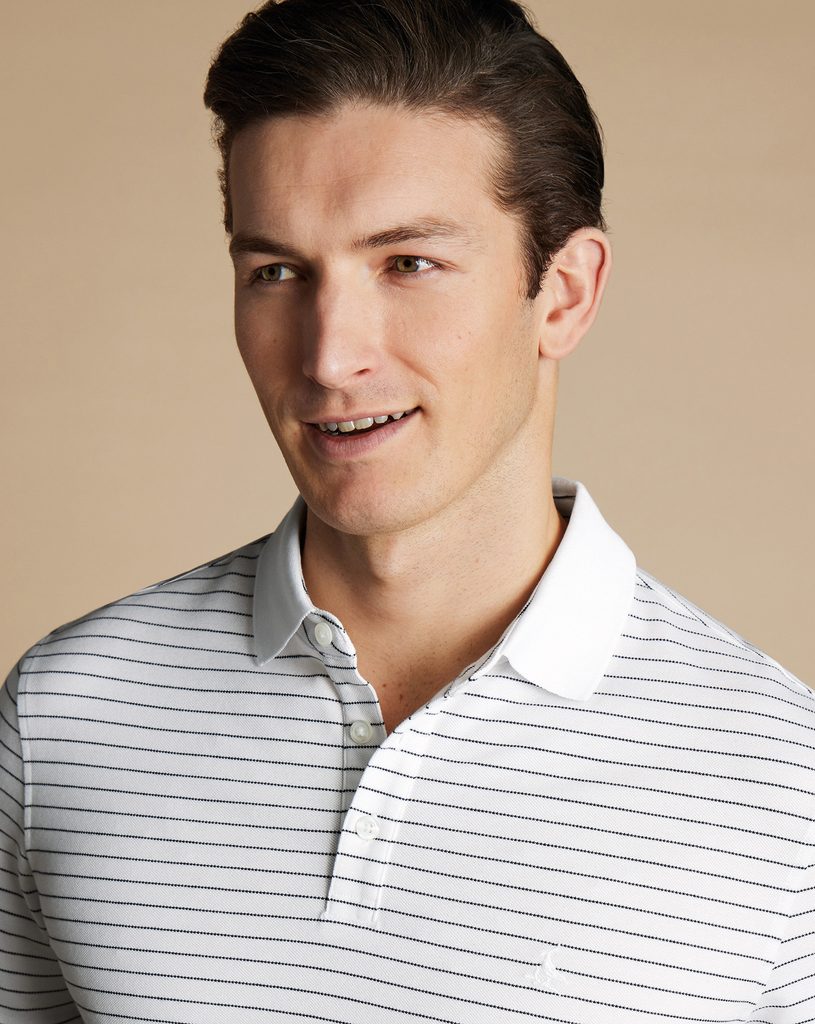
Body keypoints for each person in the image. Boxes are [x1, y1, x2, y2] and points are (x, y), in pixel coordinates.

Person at [1, 0, 812, 1020]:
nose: (329, 355)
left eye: (408, 264)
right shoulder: (63, 714)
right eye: (276, 272)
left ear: (562, 293)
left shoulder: (782, 789)